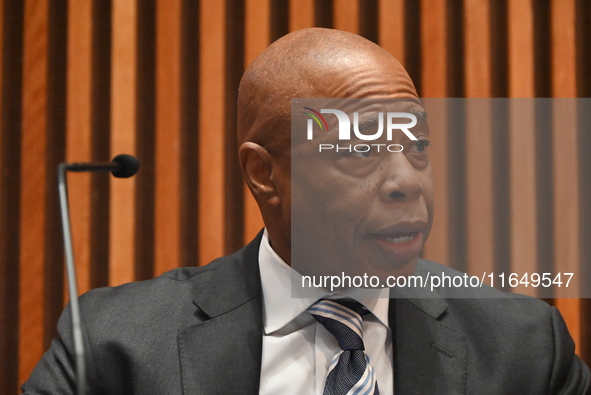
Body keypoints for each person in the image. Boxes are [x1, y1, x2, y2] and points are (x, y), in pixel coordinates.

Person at [22, 28, 590, 394]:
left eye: (417, 146)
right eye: (361, 150)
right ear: (264, 174)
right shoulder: (110, 348)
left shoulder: (525, 350)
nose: (405, 182)